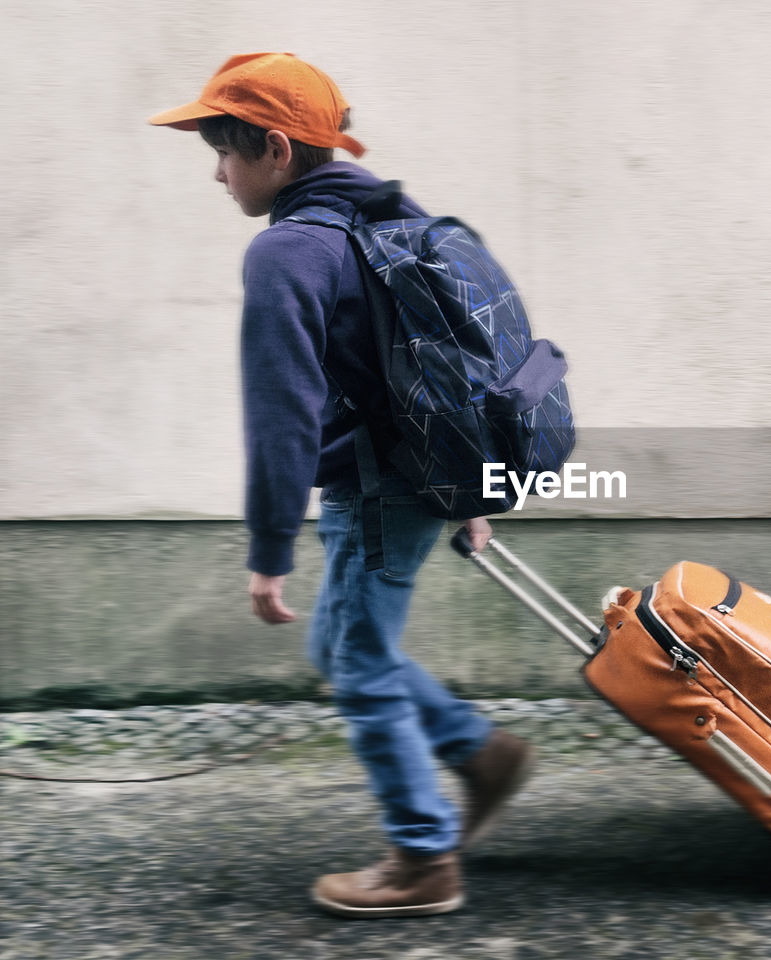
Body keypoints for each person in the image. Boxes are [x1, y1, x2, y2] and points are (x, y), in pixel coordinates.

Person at [149, 52, 534, 919]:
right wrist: (471, 487)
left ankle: (423, 859)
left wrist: (267, 550)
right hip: (425, 475)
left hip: (378, 488)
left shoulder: (288, 251)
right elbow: (468, 355)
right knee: (344, 647)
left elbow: (280, 413)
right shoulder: (394, 216)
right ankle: (481, 754)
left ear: (277, 150)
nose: (216, 172)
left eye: (224, 150)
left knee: (357, 663)